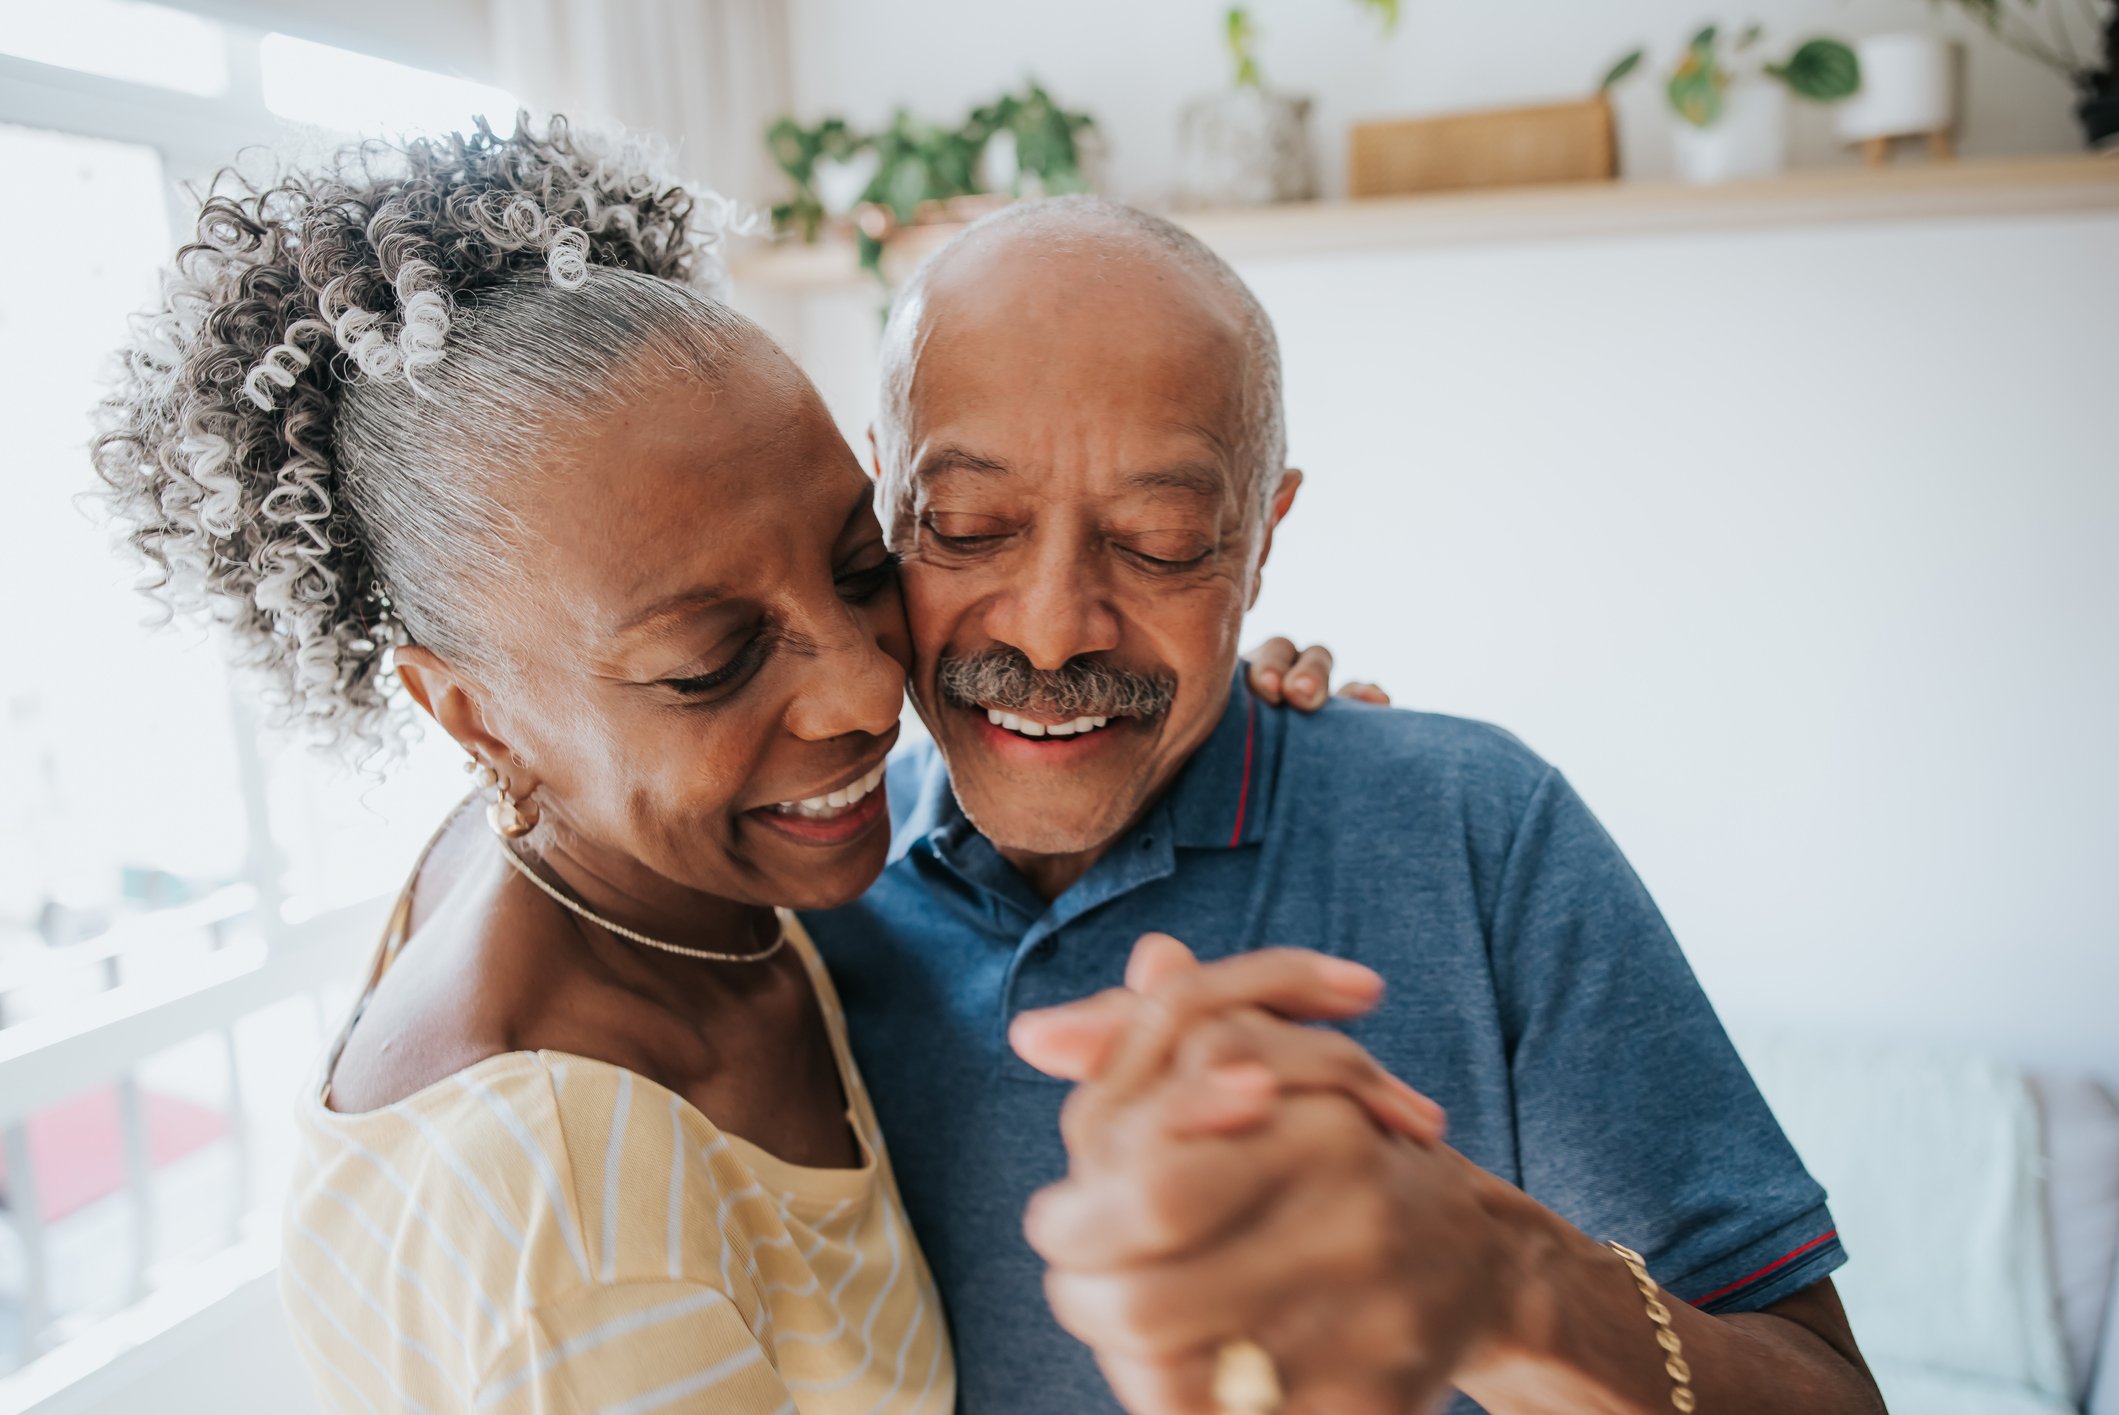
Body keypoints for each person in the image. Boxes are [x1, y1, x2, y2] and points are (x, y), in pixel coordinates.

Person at [89, 118, 1401, 1415]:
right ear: (474, 718)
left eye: (856, 564)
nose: (866, 688)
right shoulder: (569, 1209)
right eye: (713, 659)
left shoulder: (619, 853)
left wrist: (1196, 684)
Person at [804, 196, 1889, 1414]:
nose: (1053, 627)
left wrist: (1507, 1280)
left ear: (1261, 537)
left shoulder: (1477, 830)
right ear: (884, 497)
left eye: (1162, 541)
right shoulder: (800, 908)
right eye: (968, 526)